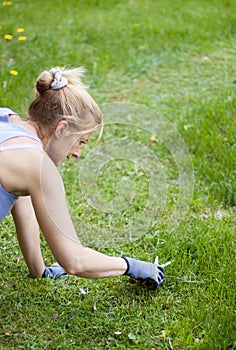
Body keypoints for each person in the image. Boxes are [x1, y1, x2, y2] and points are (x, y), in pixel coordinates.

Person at [0, 67, 165, 290]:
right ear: (61, 129)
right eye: (81, 141)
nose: (77, 153)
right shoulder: (40, 168)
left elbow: (23, 202)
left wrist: (39, 271)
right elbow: (75, 261)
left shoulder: (6, 118)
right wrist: (131, 265)